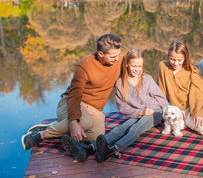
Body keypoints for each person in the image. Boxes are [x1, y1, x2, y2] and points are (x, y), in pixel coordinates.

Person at [21, 34, 123, 162]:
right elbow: (75, 95)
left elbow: (133, 74)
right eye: (113, 56)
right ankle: (38, 135)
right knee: (84, 122)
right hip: (71, 102)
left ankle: (57, 127)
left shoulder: (119, 60)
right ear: (101, 54)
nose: (117, 58)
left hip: (92, 109)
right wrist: (73, 122)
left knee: (96, 138)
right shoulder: (85, 65)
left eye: (118, 54)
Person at [95, 49, 168, 162]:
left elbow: (162, 99)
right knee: (120, 129)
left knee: (134, 129)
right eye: (134, 66)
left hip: (154, 112)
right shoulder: (120, 83)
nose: (137, 69)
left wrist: (154, 110)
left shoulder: (147, 79)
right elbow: (123, 108)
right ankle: (91, 147)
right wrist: (141, 111)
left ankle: (114, 148)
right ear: (127, 64)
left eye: (140, 66)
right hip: (137, 114)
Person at [158, 41, 203, 128]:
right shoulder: (163, 67)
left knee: (201, 127)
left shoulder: (193, 72)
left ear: (185, 58)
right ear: (168, 56)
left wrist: (198, 113)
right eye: (172, 59)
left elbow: (199, 95)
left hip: (189, 109)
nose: (175, 63)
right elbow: (161, 92)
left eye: (179, 60)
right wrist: (166, 109)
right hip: (172, 108)